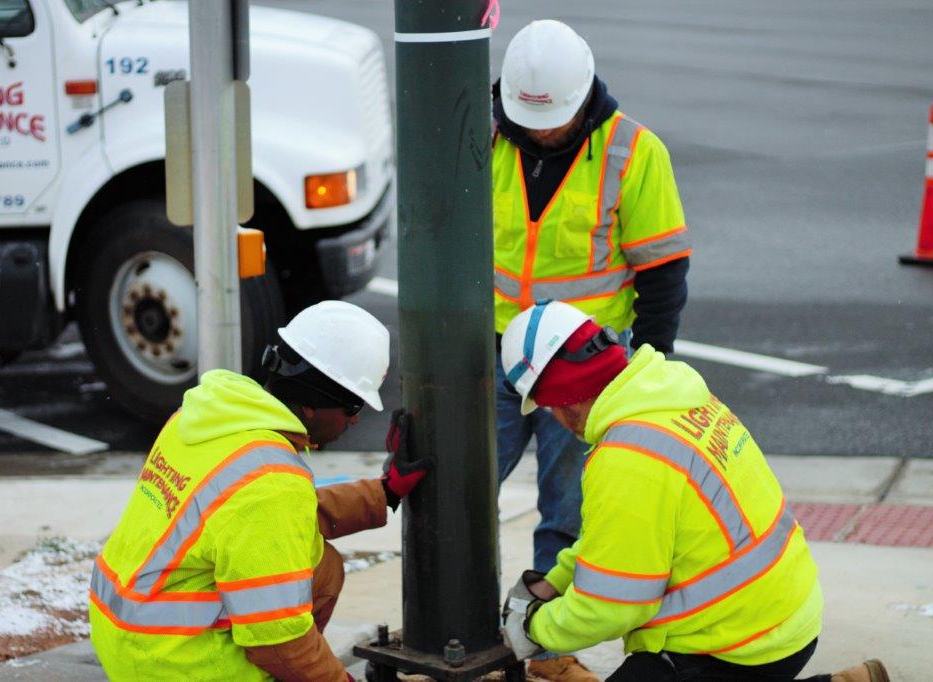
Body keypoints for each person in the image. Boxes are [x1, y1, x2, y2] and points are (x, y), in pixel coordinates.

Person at [497, 300, 889, 682]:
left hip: (736, 646)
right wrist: (553, 582)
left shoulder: (627, 458)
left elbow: (611, 607)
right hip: (784, 616)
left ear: (564, 401)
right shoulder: (668, 395)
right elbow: (621, 539)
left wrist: (535, 628)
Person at [492, 19, 692, 680]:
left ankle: (544, 649)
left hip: (579, 368)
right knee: (454, 491)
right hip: (490, 350)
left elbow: (661, 271)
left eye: (555, 121)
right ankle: (459, 623)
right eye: (531, 120)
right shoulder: (486, 136)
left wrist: (647, 363)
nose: (542, 133)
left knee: (569, 512)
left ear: (584, 98)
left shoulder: (633, 152)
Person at [88, 301, 430, 681]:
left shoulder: (206, 418)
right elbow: (279, 642)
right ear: (314, 402)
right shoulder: (270, 484)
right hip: (176, 663)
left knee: (321, 564)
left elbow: (263, 521)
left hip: (124, 631)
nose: (355, 419)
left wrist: (384, 493)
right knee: (307, 595)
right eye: (352, 405)